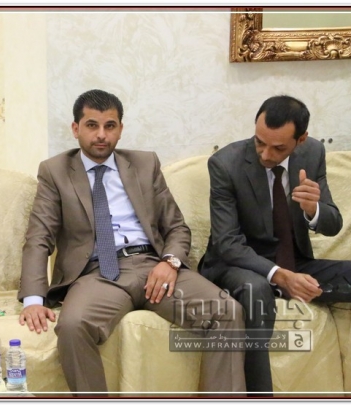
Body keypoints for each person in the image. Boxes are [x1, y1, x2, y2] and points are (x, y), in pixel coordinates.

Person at [17, 89, 246, 394]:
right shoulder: (55, 171)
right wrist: (33, 300)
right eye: (92, 125)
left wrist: (170, 262)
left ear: (121, 129)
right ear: (75, 129)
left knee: (227, 311)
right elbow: (39, 236)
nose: (101, 135)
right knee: (72, 326)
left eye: (110, 126)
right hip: (98, 274)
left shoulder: (144, 164)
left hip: (155, 266)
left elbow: (177, 227)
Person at [198, 95, 351, 396]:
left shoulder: (313, 152)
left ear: (300, 140)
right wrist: (278, 275)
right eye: (259, 142)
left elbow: (333, 224)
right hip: (238, 266)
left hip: (294, 261)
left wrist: (313, 210)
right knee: (257, 290)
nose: (265, 154)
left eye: (278, 148)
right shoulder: (225, 163)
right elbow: (227, 243)